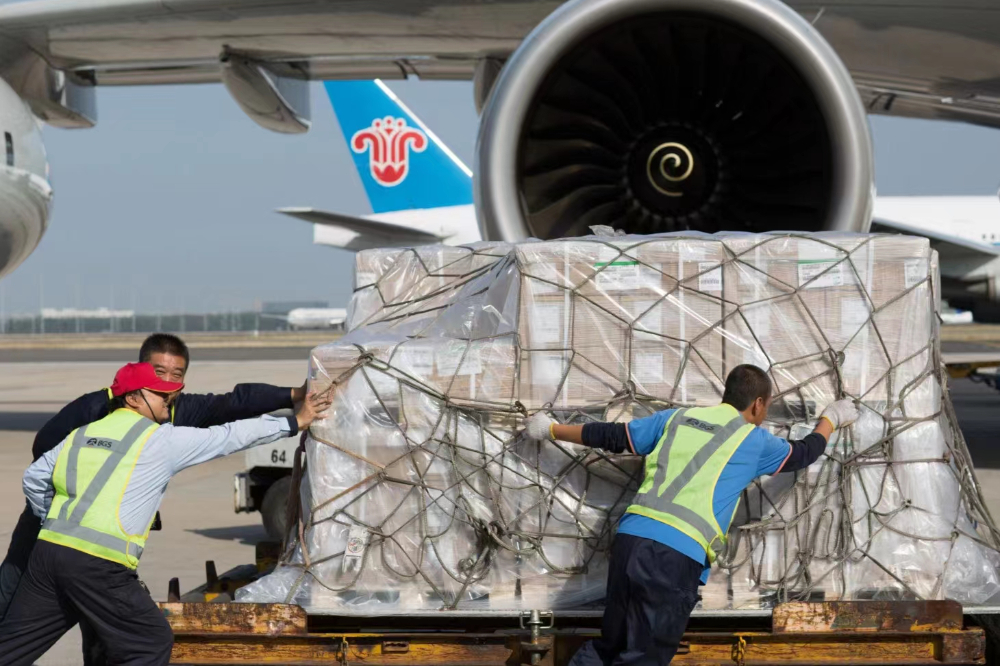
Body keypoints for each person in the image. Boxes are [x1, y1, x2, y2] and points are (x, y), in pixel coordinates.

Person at [523, 364, 859, 666]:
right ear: (758, 404)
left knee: (610, 646)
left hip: (630, 541)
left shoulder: (674, 418)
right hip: (673, 557)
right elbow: (805, 452)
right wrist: (830, 417)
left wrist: (551, 429)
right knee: (644, 657)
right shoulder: (753, 439)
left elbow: (614, 436)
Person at [0, 361, 331, 666]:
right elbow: (228, 437)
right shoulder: (158, 440)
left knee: (13, 646)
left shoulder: (80, 435)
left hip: (48, 554)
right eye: (159, 394)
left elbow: (35, 479)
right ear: (132, 398)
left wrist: (54, 520)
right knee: (151, 642)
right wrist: (294, 421)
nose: (168, 400)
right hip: (99, 566)